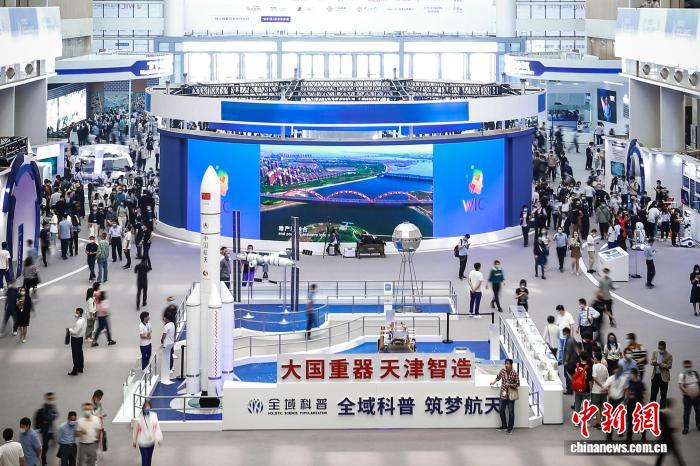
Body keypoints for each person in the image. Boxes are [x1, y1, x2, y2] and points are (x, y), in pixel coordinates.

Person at [490, 358, 520, 434]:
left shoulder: (515, 373)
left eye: (508, 364)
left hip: (511, 395)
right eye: (505, 363)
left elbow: (518, 384)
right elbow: (498, 377)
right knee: (501, 410)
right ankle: (504, 426)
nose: (506, 365)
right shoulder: (503, 371)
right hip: (503, 394)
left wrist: (510, 385)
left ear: (511, 365)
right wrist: (493, 382)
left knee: (511, 412)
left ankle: (510, 428)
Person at [656, 398, 687, 466]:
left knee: (662, 456)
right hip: (668, 438)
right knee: (676, 453)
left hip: (663, 437)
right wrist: (675, 428)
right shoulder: (668, 413)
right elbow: (668, 427)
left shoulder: (660, 412)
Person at [132, 401, 162, 466]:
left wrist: (159, 438)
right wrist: (134, 441)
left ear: (150, 407)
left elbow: (157, 428)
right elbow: (135, 430)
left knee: (149, 458)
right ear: (143, 407)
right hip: (142, 442)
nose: (147, 408)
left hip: (151, 441)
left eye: (148, 406)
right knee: (145, 458)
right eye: (145, 407)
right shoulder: (139, 419)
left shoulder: (154, 416)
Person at [603, 365, 629, 441]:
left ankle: (619, 431)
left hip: (619, 400)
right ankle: (610, 436)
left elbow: (626, 389)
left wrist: (626, 399)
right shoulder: (611, 378)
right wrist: (606, 389)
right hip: (614, 400)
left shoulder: (623, 379)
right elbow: (605, 387)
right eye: (615, 371)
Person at [33, 393, 57, 466]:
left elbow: (56, 415)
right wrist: (51, 416)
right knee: (45, 448)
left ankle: (49, 460)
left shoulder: (53, 407)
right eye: (50, 398)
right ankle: (44, 463)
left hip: (51, 431)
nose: (51, 400)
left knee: (54, 443)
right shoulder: (43, 408)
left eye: (52, 398)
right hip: (45, 432)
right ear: (47, 398)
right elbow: (48, 417)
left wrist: (50, 417)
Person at [678, 360, 700, 435]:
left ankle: (698, 425)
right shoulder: (682, 375)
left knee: (698, 411)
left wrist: (698, 392)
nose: (688, 367)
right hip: (687, 397)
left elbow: (699, 383)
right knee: (687, 412)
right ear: (684, 366)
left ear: (691, 365)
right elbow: (681, 386)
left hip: (697, 396)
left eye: (689, 366)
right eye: (686, 366)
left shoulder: (696, 374)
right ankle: (686, 428)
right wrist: (688, 393)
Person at [650, 340, 673, 409]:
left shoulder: (669, 355)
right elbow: (651, 361)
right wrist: (653, 362)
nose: (660, 349)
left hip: (664, 377)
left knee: (663, 395)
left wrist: (660, 364)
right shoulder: (655, 352)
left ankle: (662, 410)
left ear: (665, 348)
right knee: (653, 394)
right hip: (655, 376)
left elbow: (669, 366)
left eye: (661, 348)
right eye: (659, 348)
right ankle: (651, 409)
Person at [590, 351, 609, 429]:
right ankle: (604, 422)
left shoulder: (594, 366)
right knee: (603, 406)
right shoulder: (604, 367)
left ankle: (599, 423)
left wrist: (600, 385)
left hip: (596, 390)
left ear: (595, 358)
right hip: (604, 390)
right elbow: (608, 378)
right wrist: (605, 386)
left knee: (597, 407)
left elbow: (594, 378)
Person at [67, 308, 86, 376]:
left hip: (75, 339)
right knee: (80, 353)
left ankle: (75, 370)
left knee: (75, 355)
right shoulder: (83, 319)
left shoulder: (79, 322)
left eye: (77, 313)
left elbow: (75, 331)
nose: (75, 314)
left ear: (80, 313)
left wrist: (69, 330)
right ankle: (80, 368)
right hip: (80, 338)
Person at [160, 307, 176, 384]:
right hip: (172, 342)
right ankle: (171, 367)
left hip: (167, 343)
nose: (163, 319)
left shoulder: (166, 326)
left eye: (164, 318)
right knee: (171, 355)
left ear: (167, 318)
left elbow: (164, 335)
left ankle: (168, 368)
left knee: (167, 356)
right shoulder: (172, 324)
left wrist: (162, 340)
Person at [561, 327, 577, 394]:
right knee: (570, 374)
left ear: (566, 332)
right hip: (572, 360)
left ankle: (569, 389)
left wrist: (566, 361)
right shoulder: (571, 339)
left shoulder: (569, 341)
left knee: (567, 374)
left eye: (563, 333)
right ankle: (572, 387)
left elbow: (568, 352)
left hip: (569, 361)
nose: (563, 334)